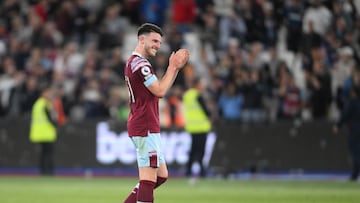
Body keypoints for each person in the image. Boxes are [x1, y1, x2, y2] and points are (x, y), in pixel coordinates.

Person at [123, 23, 189, 203]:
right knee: (148, 178)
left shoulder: (136, 63)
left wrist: (174, 69)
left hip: (146, 123)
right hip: (144, 125)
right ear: (141, 39)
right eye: (154, 41)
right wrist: (172, 68)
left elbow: (160, 90)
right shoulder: (140, 64)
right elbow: (159, 91)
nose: (157, 46)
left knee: (161, 175)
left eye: (159, 42)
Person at [183, 77, 212, 178]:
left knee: (193, 149)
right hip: (201, 127)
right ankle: (202, 171)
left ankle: (188, 170)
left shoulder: (187, 95)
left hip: (192, 127)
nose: (203, 86)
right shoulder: (198, 96)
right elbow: (206, 111)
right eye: (201, 84)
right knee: (201, 150)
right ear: (197, 84)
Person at [29, 84, 57, 176]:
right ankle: (48, 172)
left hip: (40, 132)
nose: (50, 94)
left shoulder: (38, 103)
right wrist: (55, 125)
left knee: (44, 154)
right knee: (48, 154)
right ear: (43, 93)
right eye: (48, 92)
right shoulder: (44, 104)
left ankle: (43, 172)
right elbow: (50, 118)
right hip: (45, 132)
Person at [333, 84, 360, 181]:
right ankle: (355, 174)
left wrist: (337, 126)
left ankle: (355, 174)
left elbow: (345, 114)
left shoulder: (352, 102)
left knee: (356, 152)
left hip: (354, 130)